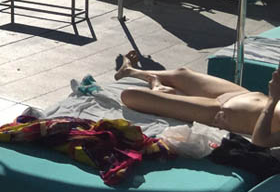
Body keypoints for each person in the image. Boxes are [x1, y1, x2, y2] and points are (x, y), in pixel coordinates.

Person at [116, 51, 280, 147]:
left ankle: (159, 87)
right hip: (243, 94)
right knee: (182, 73)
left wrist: (273, 99)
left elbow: (260, 141)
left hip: (222, 113)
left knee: (130, 95)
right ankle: (130, 71)